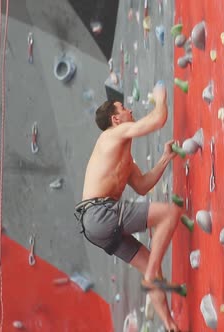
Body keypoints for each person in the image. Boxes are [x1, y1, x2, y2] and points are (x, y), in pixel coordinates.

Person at [75, 82, 182, 331]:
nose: (129, 110)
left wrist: (165, 158)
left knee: (151, 272)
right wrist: (160, 97)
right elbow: (158, 120)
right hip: (100, 213)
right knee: (170, 214)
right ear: (115, 118)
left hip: (95, 225)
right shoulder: (113, 134)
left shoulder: (123, 155)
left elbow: (142, 185)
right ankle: (152, 273)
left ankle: (170, 325)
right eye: (124, 108)